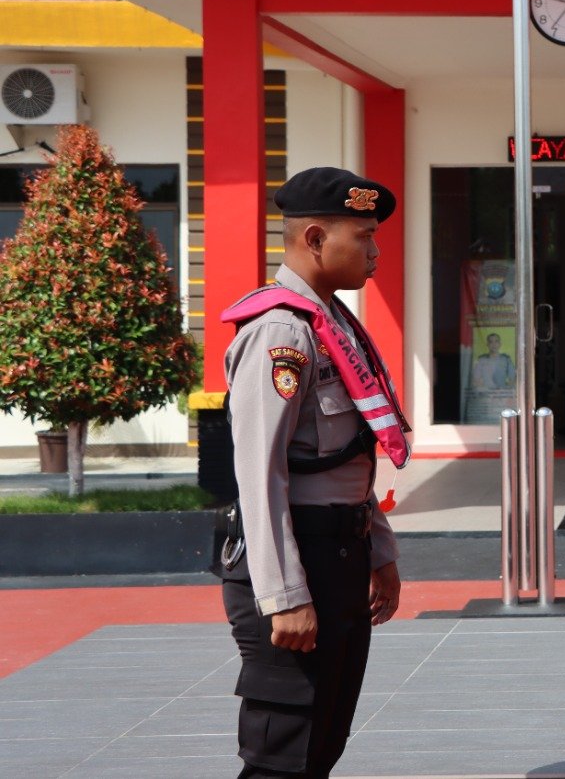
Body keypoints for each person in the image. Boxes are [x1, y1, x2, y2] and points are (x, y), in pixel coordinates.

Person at [217, 166, 410, 779]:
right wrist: (284, 596)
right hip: (296, 560)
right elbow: (259, 474)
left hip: (340, 555)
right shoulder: (282, 332)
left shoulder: (333, 326)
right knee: (283, 756)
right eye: (365, 236)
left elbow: (351, 453)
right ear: (317, 239)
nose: (376, 252)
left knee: (324, 742)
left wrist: (378, 551)